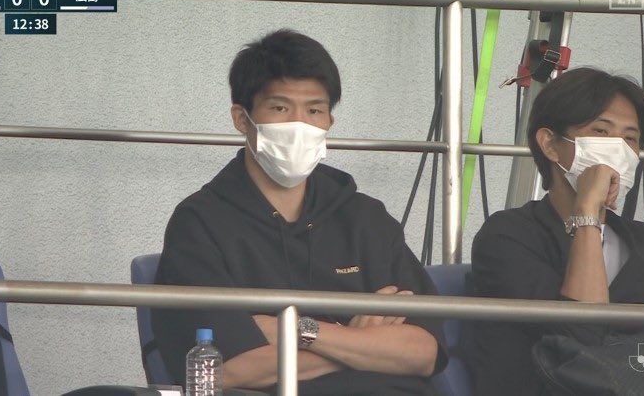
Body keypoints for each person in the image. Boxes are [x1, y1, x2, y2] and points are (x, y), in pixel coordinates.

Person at [151, 29, 447, 395]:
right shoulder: (199, 224)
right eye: (279, 108)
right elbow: (229, 370)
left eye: (314, 110)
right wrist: (362, 343)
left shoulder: (365, 217)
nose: (299, 124)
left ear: (329, 123)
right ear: (242, 120)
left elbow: (423, 353)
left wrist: (302, 330)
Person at [470, 67, 644, 395]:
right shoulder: (507, 236)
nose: (618, 149)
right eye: (601, 132)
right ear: (550, 145)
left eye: (630, 138)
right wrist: (587, 212)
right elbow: (581, 336)